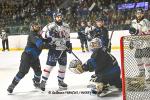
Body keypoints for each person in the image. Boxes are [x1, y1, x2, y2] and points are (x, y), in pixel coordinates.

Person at [7, 22, 52, 93]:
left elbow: (48, 40)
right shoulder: (32, 35)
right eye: (35, 26)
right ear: (32, 27)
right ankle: (12, 85)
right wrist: (50, 45)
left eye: (38, 25)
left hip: (35, 57)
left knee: (38, 72)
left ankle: (36, 83)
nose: (37, 26)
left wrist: (52, 38)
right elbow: (40, 45)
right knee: (22, 72)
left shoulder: (40, 35)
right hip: (27, 56)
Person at [40, 12, 72, 91]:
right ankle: (43, 81)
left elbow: (67, 37)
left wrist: (69, 45)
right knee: (50, 66)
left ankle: (60, 81)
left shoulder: (66, 26)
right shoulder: (50, 25)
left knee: (63, 67)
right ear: (54, 17)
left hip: (63, 49)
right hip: (54, 49)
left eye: (60, 17)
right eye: (57, 17)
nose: (59, 18)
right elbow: (42, 33)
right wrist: (48, 33)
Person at [129, 8, 150, 82]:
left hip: (145, 43)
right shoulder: (133, 22)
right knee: (137, 58)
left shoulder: (146, 21)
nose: (139, 15)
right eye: (137, 13)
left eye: (140, 13)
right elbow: (132, 32)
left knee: (146, 59)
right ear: (136, 14)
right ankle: (142, 73)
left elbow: (147, 32)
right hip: (137, 44)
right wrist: (131, 41)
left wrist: (138, 32)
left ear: (143, 14)